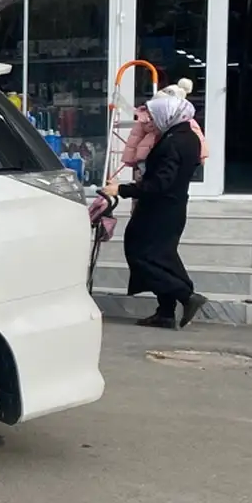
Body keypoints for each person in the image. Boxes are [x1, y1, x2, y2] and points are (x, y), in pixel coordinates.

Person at [105, 92, 206, 330]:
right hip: (172, 207)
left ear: (167, 114)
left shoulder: (173, 142)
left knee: (143, 254)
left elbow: (161, 183)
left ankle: (186, 295)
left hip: (159, 209)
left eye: (153, 114)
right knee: (164, 257)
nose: (149, 119)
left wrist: (122, 189)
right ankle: (165, 312)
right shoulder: (186, 136)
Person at [121, 79, 208, 172]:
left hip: (171, 155)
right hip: (146, 154)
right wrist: (130, 159)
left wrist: (201, 156)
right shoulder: (146, 117)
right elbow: (135, 137)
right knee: (147, 176)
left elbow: (198, 138)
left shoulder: (185, 122)